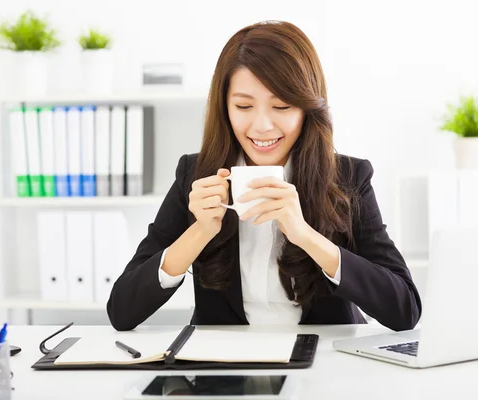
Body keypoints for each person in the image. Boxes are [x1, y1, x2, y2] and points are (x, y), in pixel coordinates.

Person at [107, 20, 422, 331]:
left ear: (307, 108)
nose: (262, 127)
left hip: (323, 368)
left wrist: (305, 236)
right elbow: (122, 311)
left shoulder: (348, 177)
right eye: (244, 106)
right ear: (225, 108)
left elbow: (405, 309)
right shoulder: (196, 175)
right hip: (224, 372)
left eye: (282, 106)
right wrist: (199, 232)